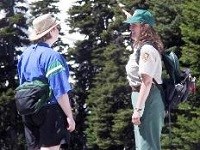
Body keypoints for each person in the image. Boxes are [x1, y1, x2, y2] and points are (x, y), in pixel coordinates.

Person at [17, 14, 75, 150]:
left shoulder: (24, 55)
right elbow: (59, 90)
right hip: (49, 109)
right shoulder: (52, 56)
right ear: (51, 31)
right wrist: (69, 116)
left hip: (28, 109)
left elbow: (22, 81)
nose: (59, 30)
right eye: (57, 27)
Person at [124, 9, 165, 150]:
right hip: (145, 97)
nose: (130, 29)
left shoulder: (146, 49)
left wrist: (138, 109)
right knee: (143, 144)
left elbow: (147, 82)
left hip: (148, 99)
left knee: (147, 145)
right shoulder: (143, 46)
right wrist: (131, 18)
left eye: (134, 25)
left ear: (145, 27)